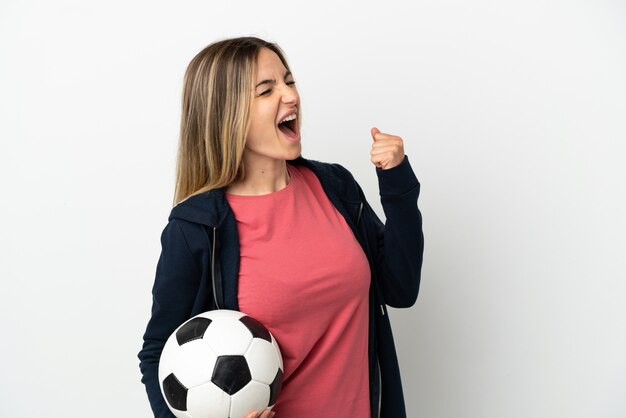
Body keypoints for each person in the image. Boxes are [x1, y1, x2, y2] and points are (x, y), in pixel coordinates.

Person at [138, 36, 424, 418]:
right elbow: (157, 353)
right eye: (267, 90)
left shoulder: (335, 187)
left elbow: (401, 288)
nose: (290, 96)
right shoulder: (197, 227)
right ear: (227, 112)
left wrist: (398, 186)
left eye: (288, 82)